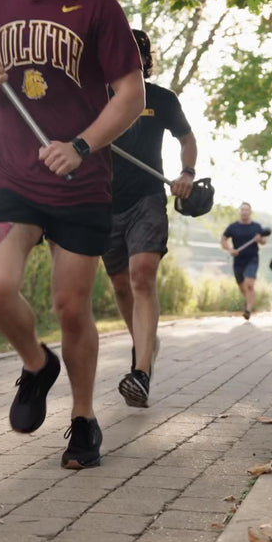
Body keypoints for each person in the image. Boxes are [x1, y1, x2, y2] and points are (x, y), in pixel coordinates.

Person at [0, 0, 145, 470]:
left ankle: (83, 420)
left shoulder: (97, 7)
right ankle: (38, 365)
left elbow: (132, 96)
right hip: (10, 174)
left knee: (70, 306)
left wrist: (82, 145)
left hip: (81, 183)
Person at [102, 29, 197, 408]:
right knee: (122, 287)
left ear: (144, 60)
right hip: (103, 203)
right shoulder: (95, 98)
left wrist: (186, 172)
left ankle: (140, 372)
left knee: (142, 275)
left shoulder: (161, 99)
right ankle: (145, 344)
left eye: (134, 55)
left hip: (147, 199)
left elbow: (187, 138)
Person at [220, 202, 268, 320]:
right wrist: (230, 249)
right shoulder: (233, 227)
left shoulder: (256, 227)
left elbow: (264, 241)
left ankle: (248, 310)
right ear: (240, 212)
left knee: (249, 284)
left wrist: (260, 239)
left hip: (252, 258)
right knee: (242, 287)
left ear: (250, 212)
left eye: (247, 210)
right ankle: (248, 302)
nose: (245, 212)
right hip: (238, 260)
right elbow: (223, 240)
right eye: (242, 210)